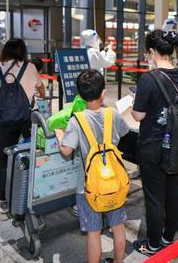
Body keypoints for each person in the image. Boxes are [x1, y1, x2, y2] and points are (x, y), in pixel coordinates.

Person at [56, 69, 129, 263]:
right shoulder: (112, 114)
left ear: (80, 95)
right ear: (103, 92)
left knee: (93, 232)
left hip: (88, 186)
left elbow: (66, 151)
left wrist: (59, 135)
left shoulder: (76, 120)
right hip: (115, 181)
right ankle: (118, 261)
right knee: (118, 226)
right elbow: (124, 131)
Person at [131, 30, 178, 255]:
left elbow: (138, 115)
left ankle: (153, 244)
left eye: (147, 52)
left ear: (153, 52)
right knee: (173, 192)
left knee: (154, 197)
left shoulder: (148, 78)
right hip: (176, 143)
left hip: (153, 146)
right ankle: (167, 238)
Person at [0, 38, 45, 213]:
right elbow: (40, 87)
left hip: (6, 121)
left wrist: (8, 104)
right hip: (27, 117)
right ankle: (30, 192)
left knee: (4, 157)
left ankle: (3, 199)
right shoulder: (30, 67)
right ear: (22, 52)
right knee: (31, 152)